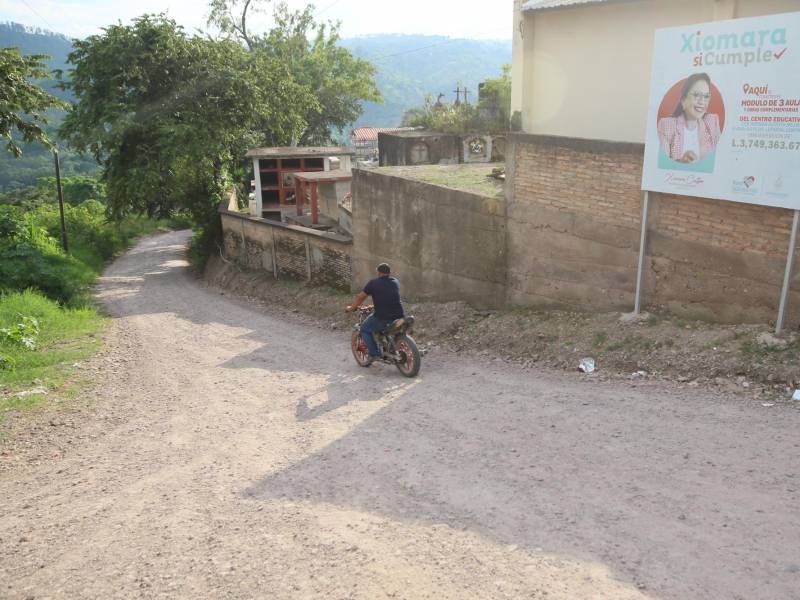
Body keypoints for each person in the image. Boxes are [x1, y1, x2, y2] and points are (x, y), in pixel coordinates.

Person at [345, 263, 405, 363]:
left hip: (382, 317)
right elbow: (388, 296)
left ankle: (374, 353)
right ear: (389, 273)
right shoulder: (395, 282)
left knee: (364, 329)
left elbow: (361, 297)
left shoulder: (373, 283)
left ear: (379, 272)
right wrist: (374, 305)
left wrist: (351, 308)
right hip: (400, 315)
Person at [657, 73, 721, 164]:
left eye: (706, 96)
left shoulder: (712, 121)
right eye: (696, 95)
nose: (702, 102)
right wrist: (681, 162)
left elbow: (720, 160)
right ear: (683, 100)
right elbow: (662, 164)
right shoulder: (667, 125)